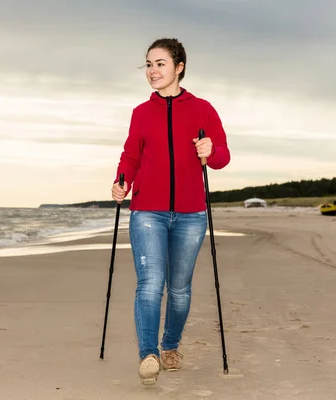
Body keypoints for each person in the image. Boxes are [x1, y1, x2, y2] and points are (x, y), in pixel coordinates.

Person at [111, 37, 231, 385]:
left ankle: (170, 345)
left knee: (179, 289)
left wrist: (211, 150)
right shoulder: (141, 113)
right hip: (147, 210)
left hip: (191, 213)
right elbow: (130, 157)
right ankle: (148, 353)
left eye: (160, 63)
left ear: (179, 67)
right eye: (148, 64)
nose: (153, 71)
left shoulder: (203, 109)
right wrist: (122, 183)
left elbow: (222, 156)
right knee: (150, 285)